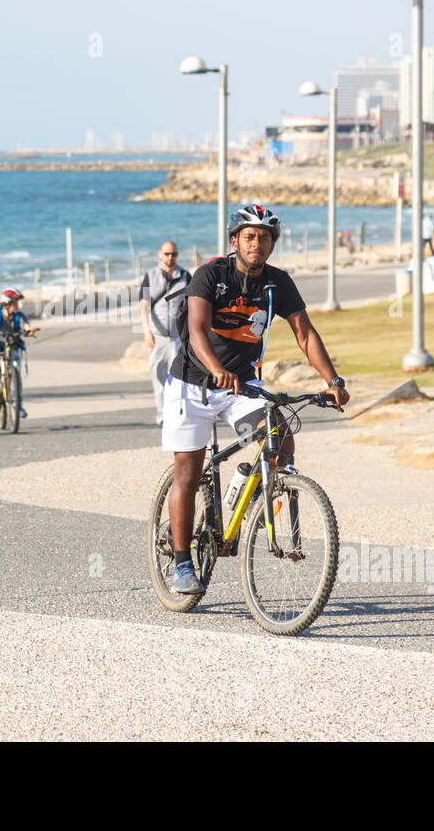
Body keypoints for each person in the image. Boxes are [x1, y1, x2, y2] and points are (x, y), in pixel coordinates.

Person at [161, 204, 350, 595]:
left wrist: (332, 379)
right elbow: (196, 330)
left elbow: (305, 333)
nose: (257, 243)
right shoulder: (211, 274)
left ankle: (263, 491)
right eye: (249, 236)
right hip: (192, 385)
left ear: (271, 244)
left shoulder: (277, 284)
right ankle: (182, 562)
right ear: (235, 241)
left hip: (242, 387)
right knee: (188, 472)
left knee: (280, 436)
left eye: (264, 237)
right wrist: (216, 368)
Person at [138, 241, 190, 425]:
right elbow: (143, 305)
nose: (170, 258)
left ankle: (177, 413)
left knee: (178, 379)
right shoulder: (149, 276)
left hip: (177, 337)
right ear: (160, 254)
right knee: (159, 378)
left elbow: (192, 305)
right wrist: (147, 332)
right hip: (157, 337)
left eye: (174, 254)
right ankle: (162, 415)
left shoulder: (185, 277)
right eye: (167, 254)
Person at [0, 289, 39, 418]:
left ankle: (18, 405)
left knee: (16, 371)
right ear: (6, 305)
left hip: (12, 342)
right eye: (15, 303)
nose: (18, 306)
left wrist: (30, 330)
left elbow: (26, 326)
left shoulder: (19, 315)